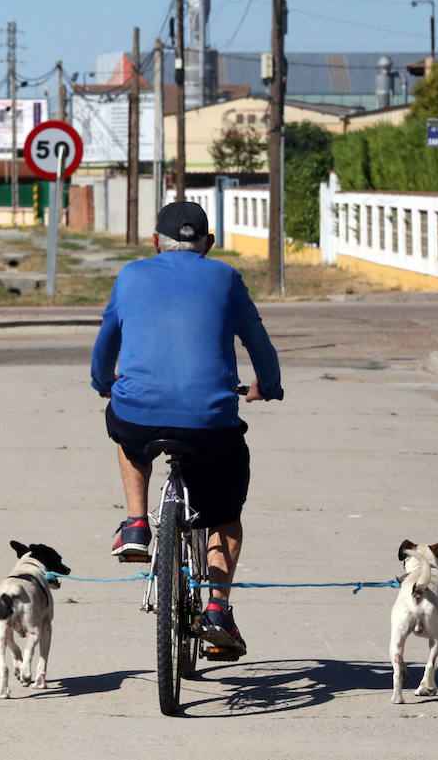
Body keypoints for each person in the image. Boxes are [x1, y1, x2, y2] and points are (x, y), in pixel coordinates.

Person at [90, 200, 282, 656]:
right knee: (225, 516)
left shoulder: (131, 275)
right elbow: (258, 340)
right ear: (208, 245)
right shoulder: (226, 277)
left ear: (154, 242)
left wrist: (103, 383)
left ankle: (137, 524)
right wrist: (267, 387)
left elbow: (105, 341)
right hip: (211, 422)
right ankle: (217, 609)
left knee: (126, 434)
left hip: (139, 412)